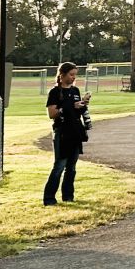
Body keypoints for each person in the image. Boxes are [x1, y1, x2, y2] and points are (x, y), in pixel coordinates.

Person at [44, 61, 89, 205]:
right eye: (71, 74)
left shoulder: (75, 91)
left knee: (72, 167)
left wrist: (82, 105)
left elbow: (76, 110)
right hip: (62, 132)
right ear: (62, 75)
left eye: (75, 75)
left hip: (75, 131)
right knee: (59, 165)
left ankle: (68, 196)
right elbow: (52, 113)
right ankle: (49, 198)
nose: (73, 78)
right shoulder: (55, 92)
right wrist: (70, 106)